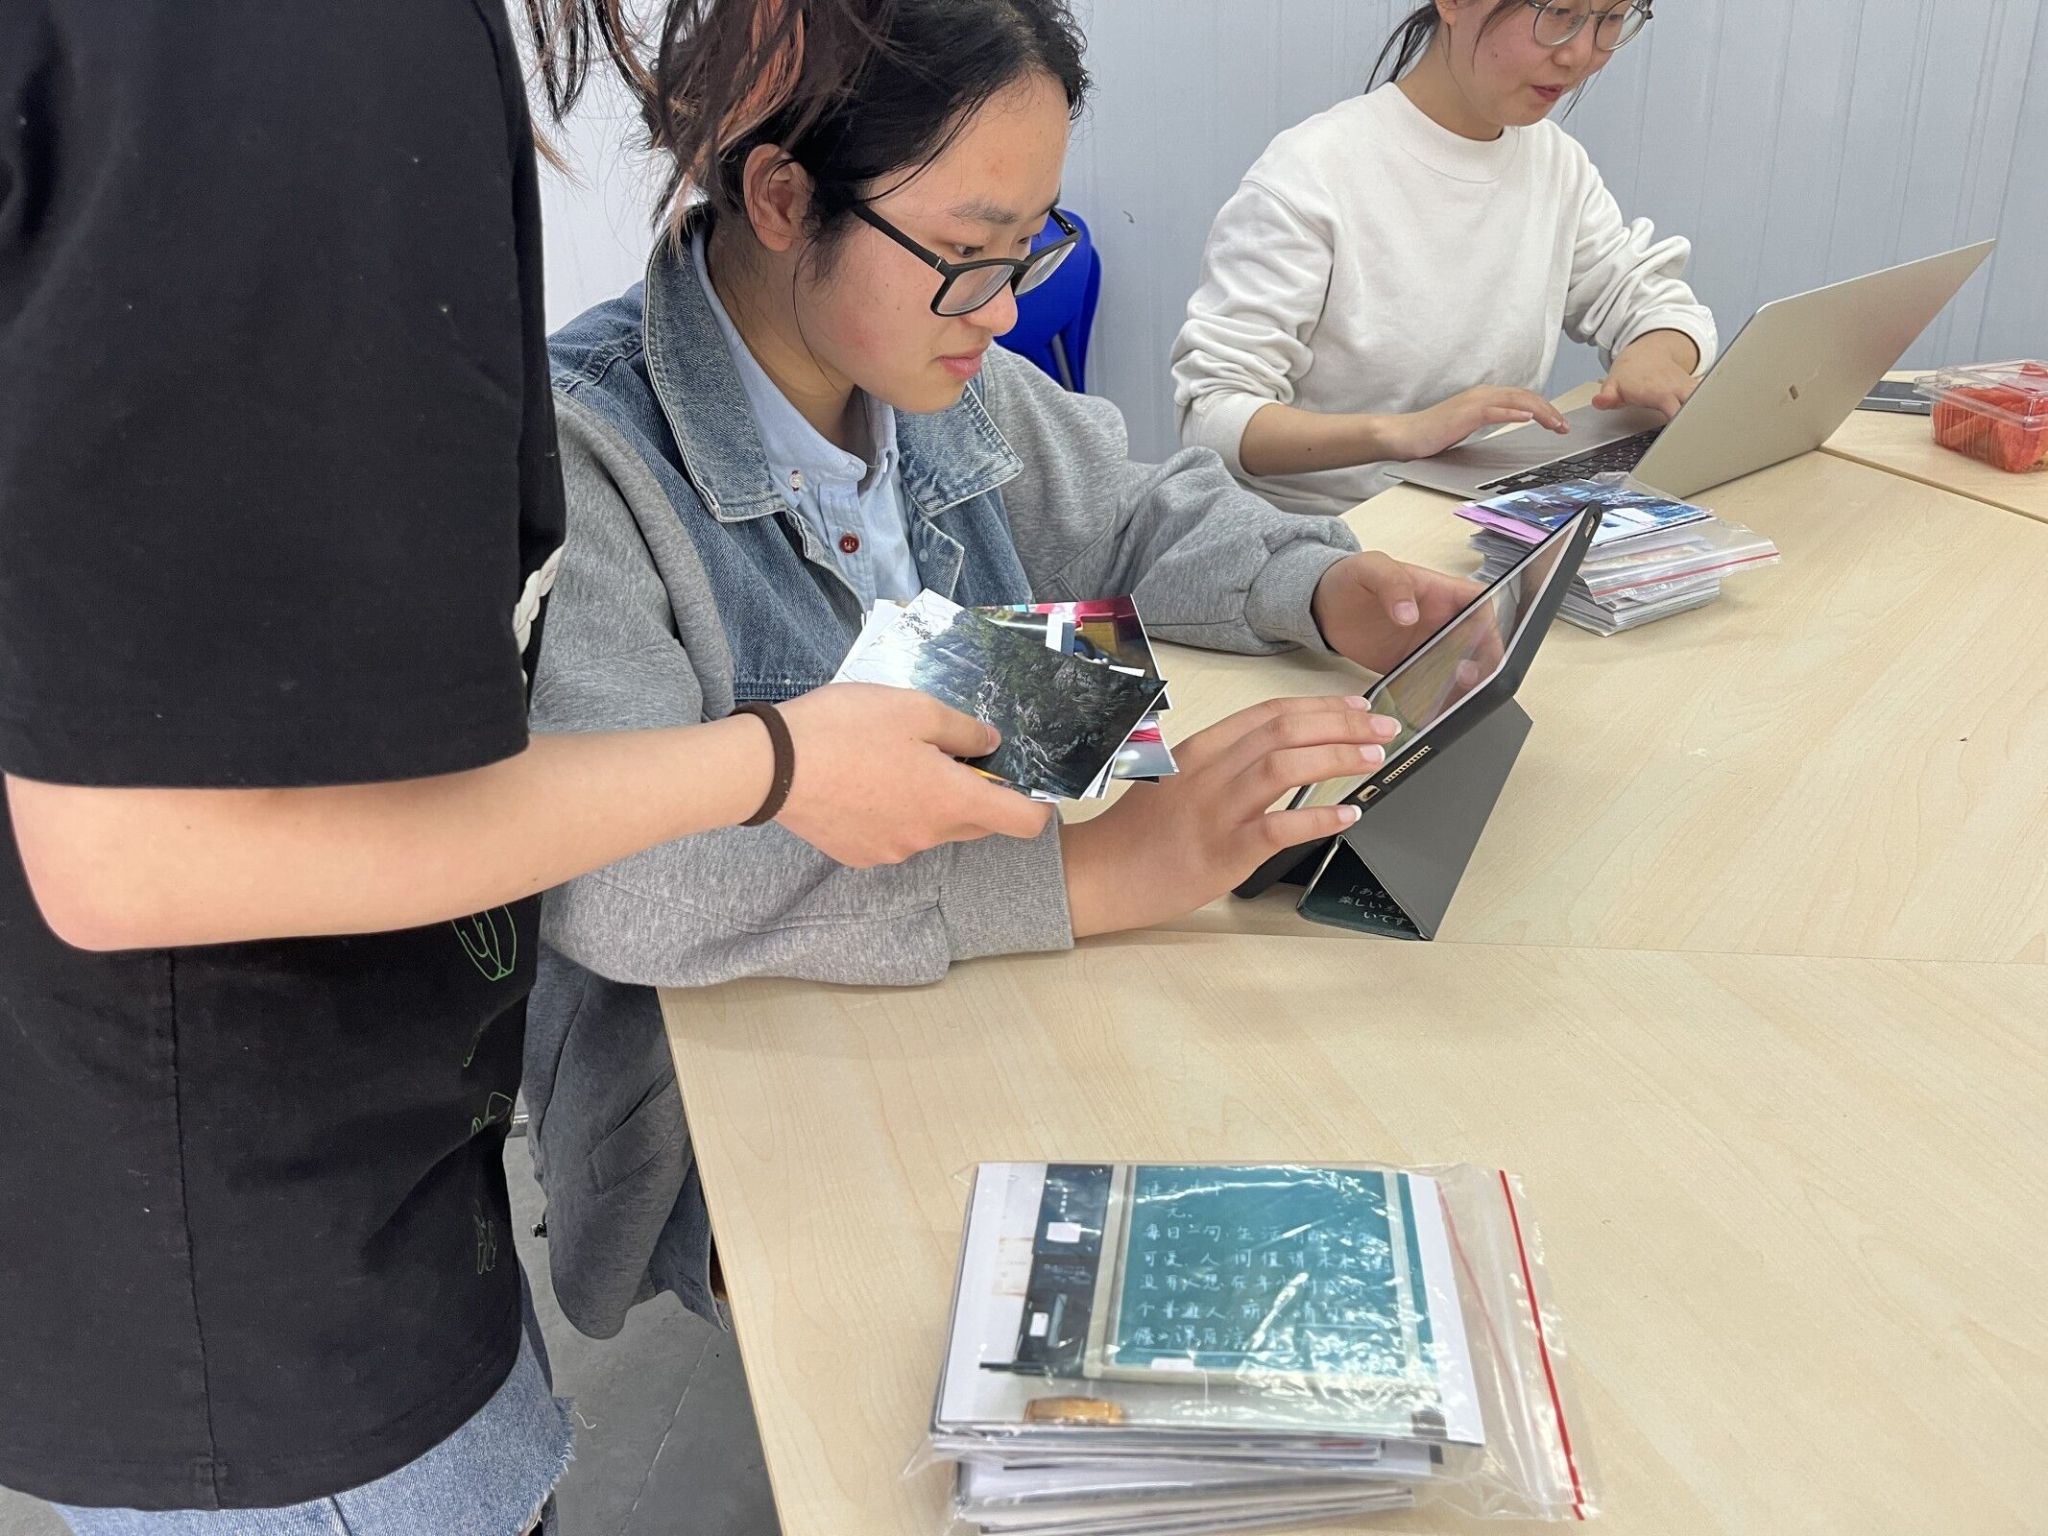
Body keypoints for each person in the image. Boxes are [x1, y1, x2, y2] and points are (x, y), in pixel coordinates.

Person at [0, 2, 1051, 1531]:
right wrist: (774, 765)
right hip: (253, 1267)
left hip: (343, 1182)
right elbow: (143, 856)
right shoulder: (289, 57)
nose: (998, 307)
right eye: (968, 246)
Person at [516, 0, 1485, 1345]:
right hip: (731, 1107)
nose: (1009, 306)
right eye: (970, 255)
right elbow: (616, 884)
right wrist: (1091, 875)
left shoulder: (931, 367)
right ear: (783, 198)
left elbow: (1134, 512)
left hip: (977, 978)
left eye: (1028, 249)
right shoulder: (586, 454)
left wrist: (1319, 585)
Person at [1171, 0, 1719, 516]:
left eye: (1612, 18)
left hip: (1475, 518)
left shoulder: (1555, 163)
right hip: (1322, 538)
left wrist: (1653, 355)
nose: (1580, 55)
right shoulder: (1312, 173)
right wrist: (1402, 433)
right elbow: (1214, 415)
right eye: (1559, 13)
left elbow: (1653, 304)